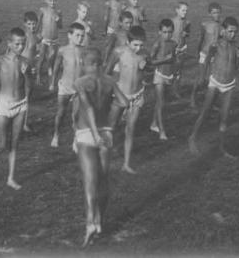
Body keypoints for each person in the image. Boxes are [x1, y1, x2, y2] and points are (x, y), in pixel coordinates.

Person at [73, 47, 128, 246]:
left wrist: (95, 133)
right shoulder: (110, 81)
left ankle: (90, 222)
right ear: (101, 63)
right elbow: (124, 102)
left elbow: (87, 107)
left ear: (85, 64)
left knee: (90, 181)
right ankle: (100, 220)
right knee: (104, 180)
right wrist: (112, 124)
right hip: (106, 132)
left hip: (88, 133)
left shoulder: (80, 82)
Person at [0, 28, 31, 189]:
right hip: (4, 103)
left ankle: (11, 178)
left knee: (15, 143)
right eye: (17, 43)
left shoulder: (24, 61)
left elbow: (29, 84)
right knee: (2, 143)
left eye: (23, 43)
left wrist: (26, 74)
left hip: (21, 104)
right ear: (9, 43)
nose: (20, 46)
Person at [188, 17, 239, 157]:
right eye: (230, 31)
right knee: (205, 112)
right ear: (223, 31)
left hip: (229, 85)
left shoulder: (236, 47)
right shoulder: (215, 45)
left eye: (235, 32)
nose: (233, 34)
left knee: (224, 117)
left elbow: (236, 66)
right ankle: (192, 137)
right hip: (215, 82)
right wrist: (203, 77)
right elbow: (206, 60)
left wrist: (238, 61)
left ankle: (222, 147)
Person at [105, 26, 148, 174]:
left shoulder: (144, 54)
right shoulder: (119, 52)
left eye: (141, 45)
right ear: (128, 41)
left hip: (137, 95)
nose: (138, 48)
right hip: (121, 95)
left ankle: (126, 164)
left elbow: (145, 73)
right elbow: (107, 71)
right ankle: (102, 157)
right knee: (111, 127)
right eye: (135, 45)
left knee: (130, 129)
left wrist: (145, 68)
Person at [49, 22, 85, 147]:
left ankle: (75, 140)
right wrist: (52, 82)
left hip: (78, 89)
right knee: (61, 112)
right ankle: (56, 135)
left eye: (82, 36)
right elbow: (56, 67)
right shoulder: (62, 50)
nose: (80, 38)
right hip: (65, 87)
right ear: (70, 35)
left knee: (76, 115)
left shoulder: (83, 51)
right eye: (77, 35)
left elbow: (85, 69)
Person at [149, 19, 177, 140]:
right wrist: (165, 60)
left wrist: (176, 72)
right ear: (160, 32)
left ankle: (154, 123)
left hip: (169, 76)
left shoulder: (174, 43)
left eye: (170, 32)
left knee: (161, 102)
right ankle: (162, 131)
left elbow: (173, 60)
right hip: (159, 76)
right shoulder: (157, 44)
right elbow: (150, 62)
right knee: (161, 104)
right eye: (164, 32)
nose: (167, 35)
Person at [190, 2, 222, 107]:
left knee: (213, 79)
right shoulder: (205, 24)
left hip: (215, 56)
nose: (216, 15)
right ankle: (193, 97)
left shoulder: (221, 26)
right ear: (209, 14)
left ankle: (210, 101)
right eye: (214, 13)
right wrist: (197, 52)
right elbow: (201, 38)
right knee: (201, 79)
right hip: (204, 53)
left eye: (218, 12)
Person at [35, 0, 62, 86]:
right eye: (50, 0)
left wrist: (58, 20)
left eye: (54, 1)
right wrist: (36, 33)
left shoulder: (58, 12)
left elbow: (61, 26)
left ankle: (50, 66)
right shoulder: (42, 10)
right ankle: (38, 76)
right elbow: (38, 23)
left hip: (54, 39)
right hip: (44, 38)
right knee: (41, 57)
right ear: (46, 1)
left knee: (52, 56)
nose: (52, 3)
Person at [21, 11, 41, 132]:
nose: (32, 26)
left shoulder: (35, 36)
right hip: (21, 68)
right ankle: (19, 121)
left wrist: (33, 66)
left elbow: (33, 54)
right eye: (29, 24)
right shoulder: (23, 36)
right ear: (25, 24)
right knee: (20, 94)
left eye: (34, 24)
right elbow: (14, 51)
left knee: (27, 95)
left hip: (29, 68)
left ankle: (23, 122)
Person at [170, 1, 190, 97]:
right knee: (170, 70)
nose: (185, 12)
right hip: (173, 49)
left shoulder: (187, 22)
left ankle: (175, 90)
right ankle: (167, 89)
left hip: (182, 49)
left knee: (179, 71)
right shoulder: (172, 21)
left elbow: (188, 33)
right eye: (183, 10)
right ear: (177, 10)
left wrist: (186, 34)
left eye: (186, 10)